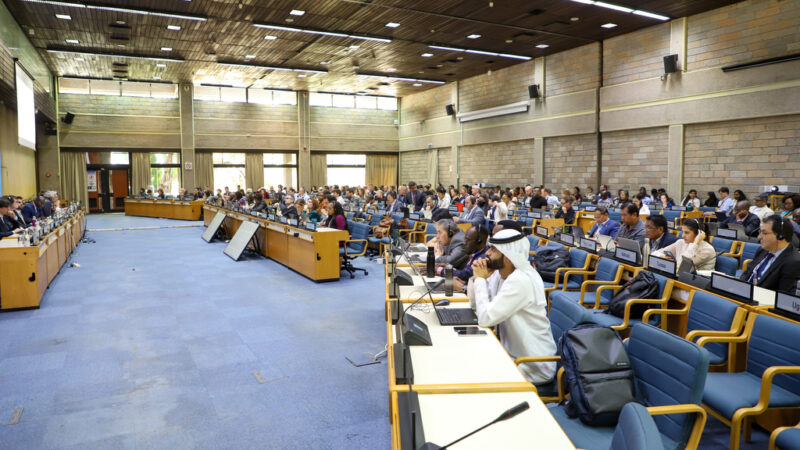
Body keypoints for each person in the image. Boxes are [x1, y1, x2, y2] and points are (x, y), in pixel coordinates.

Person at [467, 229, 556, 384]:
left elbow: (485, 318)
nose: (487, 253)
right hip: (510, 353)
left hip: (531, 365)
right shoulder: (500, 274)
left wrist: (480, 280)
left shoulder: (521, 280)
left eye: (493, 249)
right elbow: (476, 307)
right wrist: (476, 277)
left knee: (472, 371)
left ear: (508, 256)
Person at [739, 215, 800, 293]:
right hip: (744, 293)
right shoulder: (762, 250)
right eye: (760, 232)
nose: (759, 237)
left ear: (780, 236)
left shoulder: (792, 262)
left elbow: (782, 297)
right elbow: (747, 273)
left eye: (764, 233)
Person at [452, 225, 490, 294]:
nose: (464, 242)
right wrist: (464, 282)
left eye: (467, 239)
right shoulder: (475, 253)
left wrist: (442, 270)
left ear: (479, 241)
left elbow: (466, 275)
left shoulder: (483, 258)